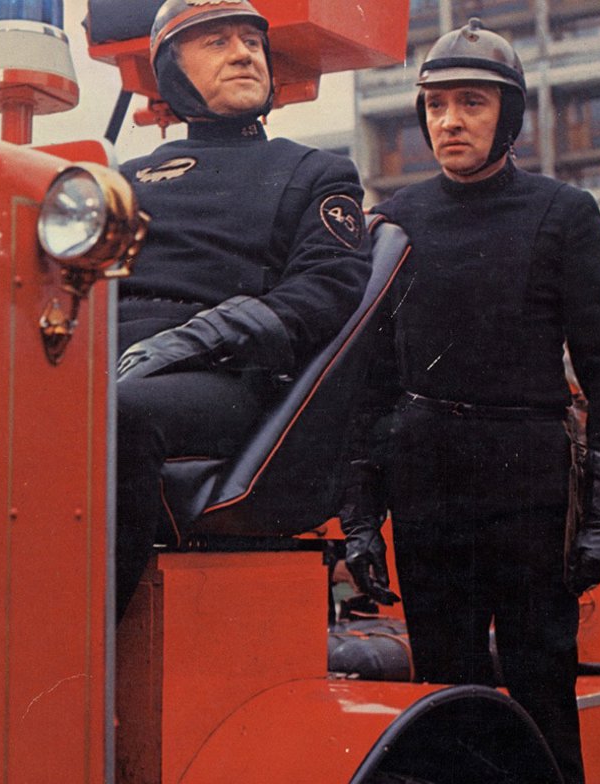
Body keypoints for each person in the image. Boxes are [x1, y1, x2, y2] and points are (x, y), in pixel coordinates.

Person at [340, 19, 600, 783]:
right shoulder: (396, 221)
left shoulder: (563, 213)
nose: (450, 121)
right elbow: (368, 383)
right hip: (426, 488)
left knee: (542, 685)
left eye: (472, 103)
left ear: (508, 117)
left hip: (528, 489)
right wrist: (360, 517)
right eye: (436, 105)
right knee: (444, 694)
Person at [114, 0, 371, 621]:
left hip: (229, 375)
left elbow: (328, 286)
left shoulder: (314, 170)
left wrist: (197, 338)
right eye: (217, 42)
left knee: (114, 418)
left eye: (251, 42)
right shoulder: (122, 178)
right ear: (171, 72)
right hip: (111, 359)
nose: (242, 55)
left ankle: (75, 646)